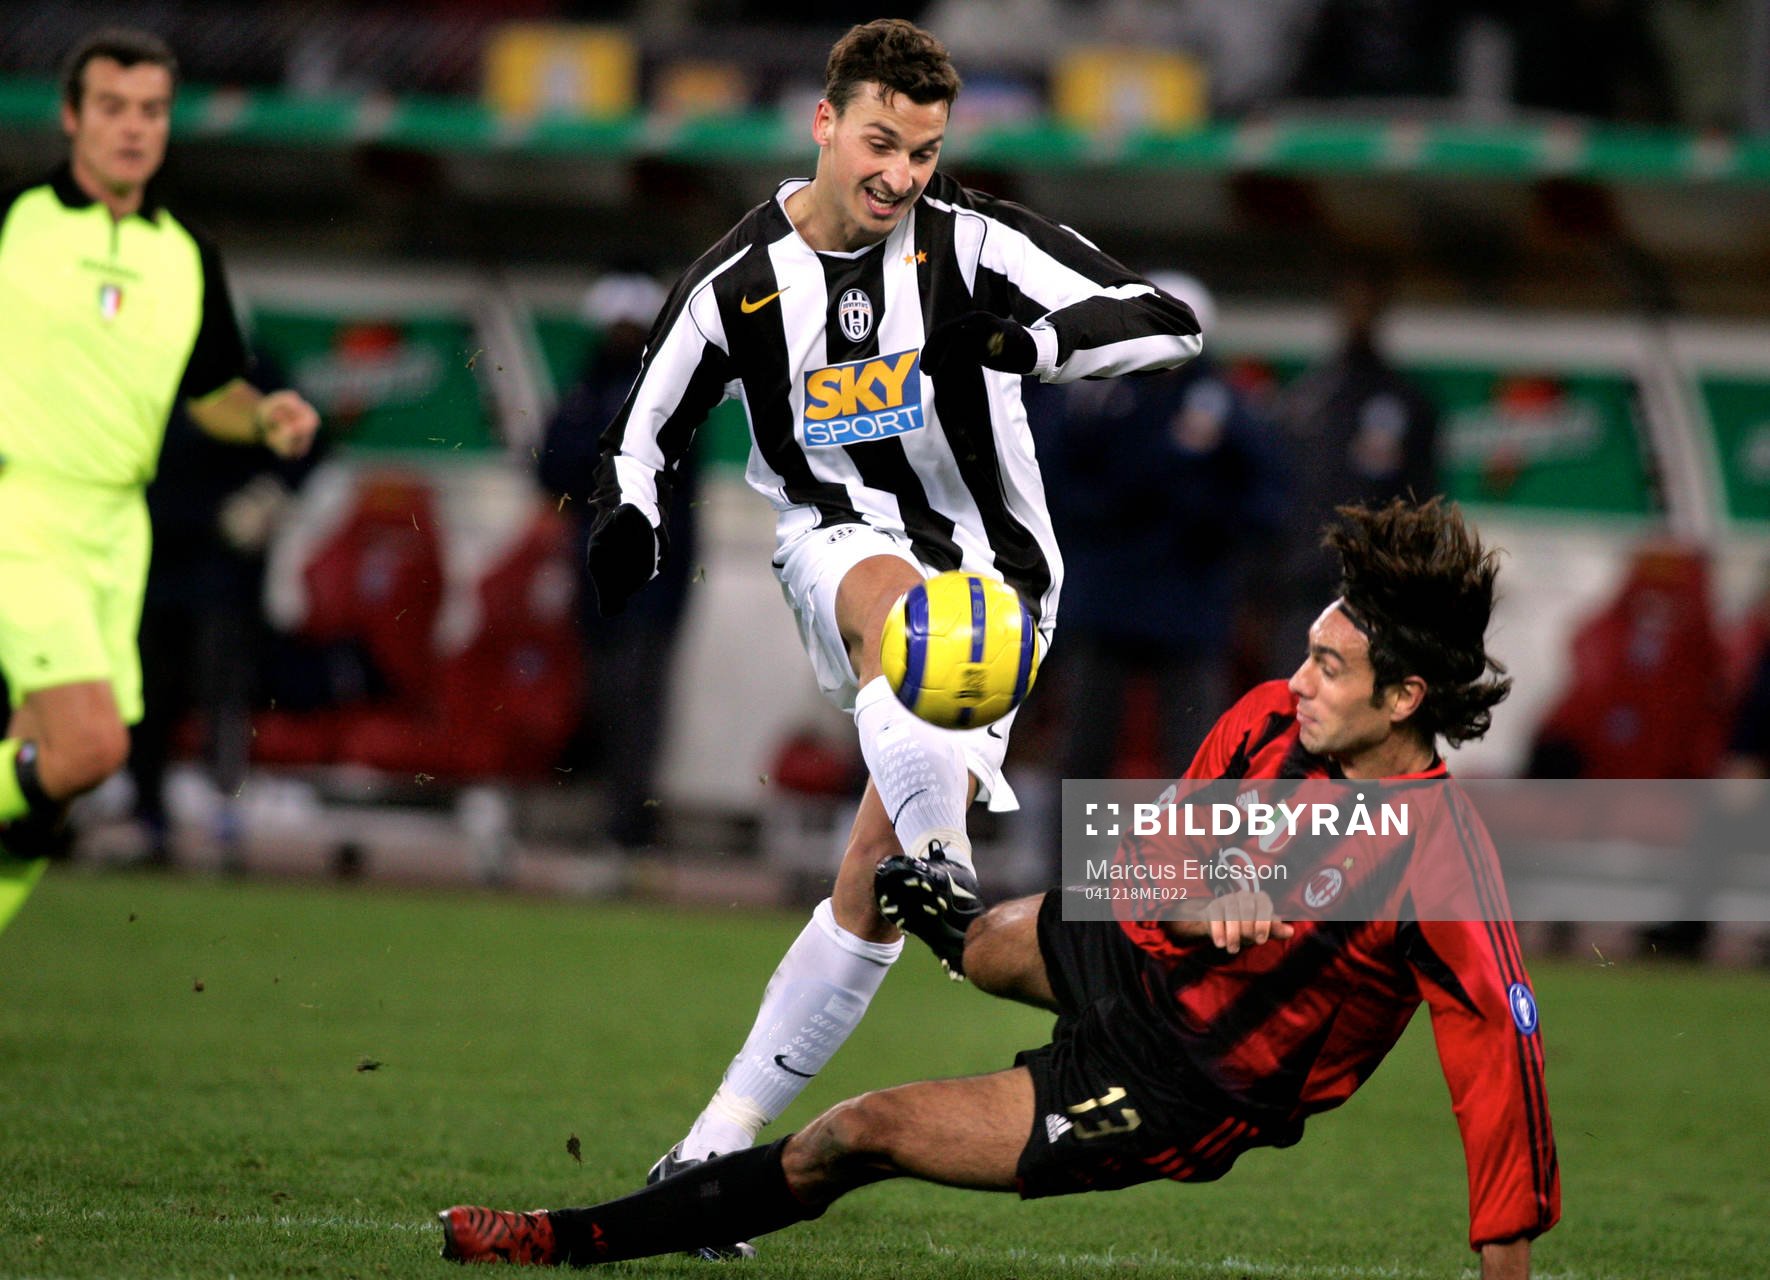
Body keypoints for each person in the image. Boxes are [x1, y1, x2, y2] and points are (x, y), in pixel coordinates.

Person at [438, 497, 1559, 1279]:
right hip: (1135, 948)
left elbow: (1499, 1065)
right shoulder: (1270, 720)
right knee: (976, 946)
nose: (1300, 678)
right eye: (1310, 650)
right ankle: (942, 902)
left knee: (856, 1133)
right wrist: (1199, 892)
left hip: (1180, 1079)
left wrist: (1502, 1262)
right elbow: (1152, 854)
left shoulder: (1444, 866)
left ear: (1407, 695)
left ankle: (562, 1237)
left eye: (1332, 666)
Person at [576, 16, 1201, 1206]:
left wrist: (1035, 341)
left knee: (865, 890)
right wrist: (630, 521)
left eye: (922, 152)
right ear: (823, 122)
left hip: (1006, 589)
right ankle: (947, 855)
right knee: (900, 605)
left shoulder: (973, 247)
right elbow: (640, 435)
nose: (900, 176)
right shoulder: (740, 281)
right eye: (880, 143)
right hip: (838, 551)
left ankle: (707, 1152)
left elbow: (1169, 322)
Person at [0, 29, 320, 907]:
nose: (132, 128)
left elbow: (209, 392)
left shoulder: (185, 255)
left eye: (150, 111)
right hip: (23, 511)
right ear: (70, 117)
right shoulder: (15, 225)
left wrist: (263, 416)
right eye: (111, 108)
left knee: (46, 776)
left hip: (119, 527)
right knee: (91, 750)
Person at [537, 273, 693, 850]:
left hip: (650, 578)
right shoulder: (587, 385)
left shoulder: (665, 384)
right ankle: (613, 815)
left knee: (637, 702)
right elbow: (552, 464)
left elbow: (642, 472)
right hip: (596, 574)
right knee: (604, 699)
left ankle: (630, 825)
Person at [1266, 260, 1438, 678]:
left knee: (1361, 715)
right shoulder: (1308, 399)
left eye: (1368, 300)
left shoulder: (1407, 402)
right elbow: (1278, 494)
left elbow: (1422, 501)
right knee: (1296, 713)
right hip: (1304, 589)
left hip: (1373, 594)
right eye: (1351, 299)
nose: (1359, 310)